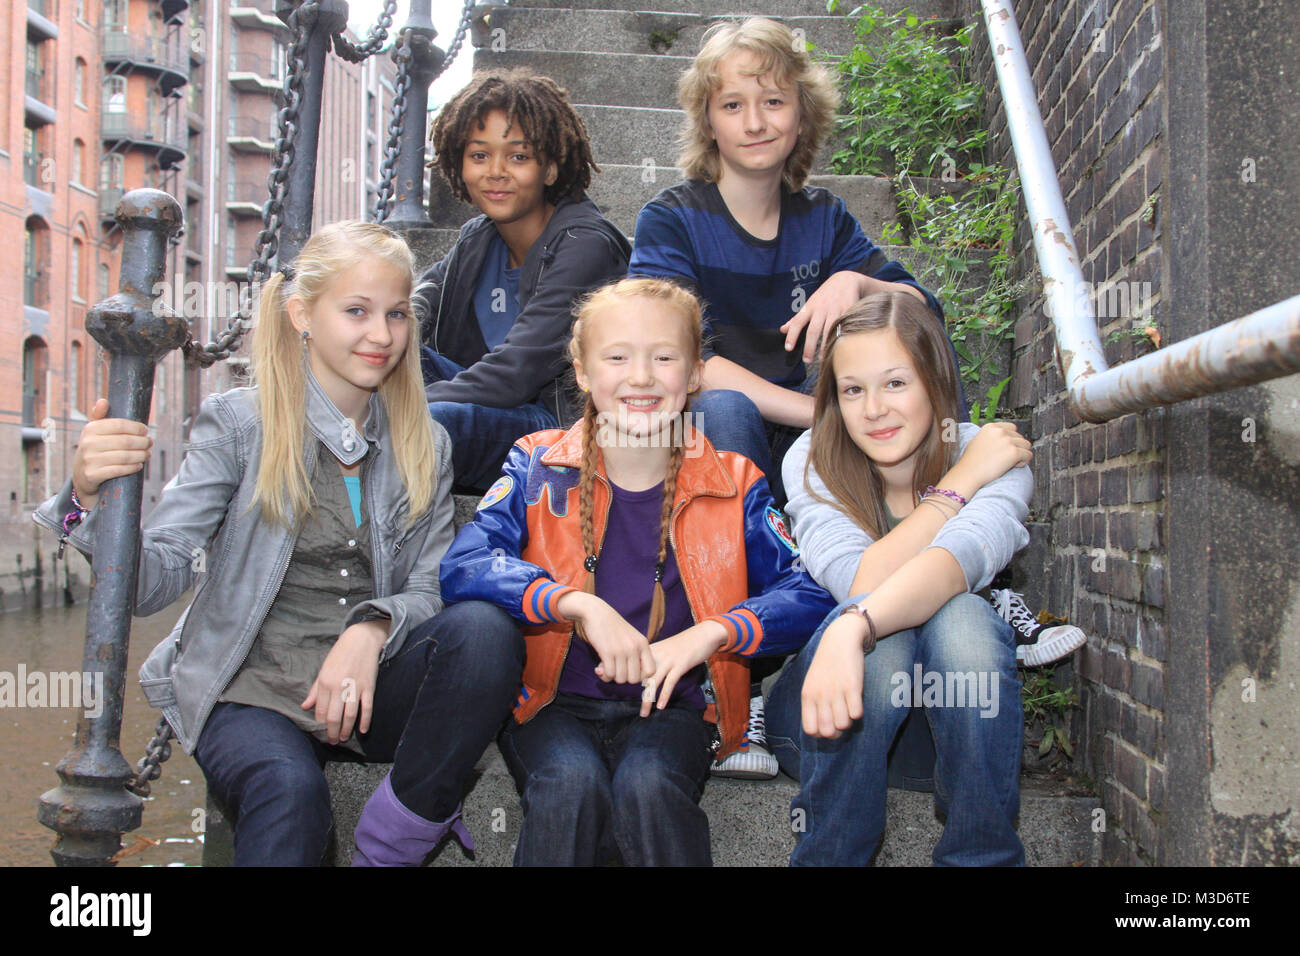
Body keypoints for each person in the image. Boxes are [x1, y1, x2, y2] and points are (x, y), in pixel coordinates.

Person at [35, 222, 524, 867]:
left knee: (486, 632)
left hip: (365, 688)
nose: (381, 335)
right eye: (356, 311)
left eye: (396, 314)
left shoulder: (424, 441)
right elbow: (154, 582)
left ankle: (399, 836)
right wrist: (88, 500)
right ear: (302, 315)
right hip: (252, 688)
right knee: (289, 795)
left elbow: (430, 586)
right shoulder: (240, 423)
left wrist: (370, 630)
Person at [440, 278, 835, 866]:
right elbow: (464, 566)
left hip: (673, 706)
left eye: (665, 356)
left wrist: (715, 633)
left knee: (649, 789)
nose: (642, 376)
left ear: (696, 372)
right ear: (582, 371)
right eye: (618, 356)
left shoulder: (736, 481)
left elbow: (808, 593)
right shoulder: (535, 464)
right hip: (552, 705)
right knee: (570, 789)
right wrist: (574, 604)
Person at [629, 17, 960, 508]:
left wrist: (857, 283)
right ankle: (741, 568)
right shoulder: (671, 218)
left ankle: (934, 527)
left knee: (919, 346)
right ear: (709, 122)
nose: (755, 123)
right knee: (726, 408)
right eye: (733, 105)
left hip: (808, 430)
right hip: (714, 430)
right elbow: (671, 358)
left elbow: (923, 311)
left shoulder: (823, 217)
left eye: (774, 102)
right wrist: (826, 412)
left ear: (802, 116)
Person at [767, 291, 1034, 866]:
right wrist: (958, 483)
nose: (873, 410)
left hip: (945, 736)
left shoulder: (995, 451)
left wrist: (854, 625)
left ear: (935, 381)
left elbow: (954, 564)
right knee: (880, 644)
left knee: (961, 612)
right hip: (827, 717)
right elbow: (863, 580)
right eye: (852, 389)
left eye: (895, 383)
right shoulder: (814, 458)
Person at [418, 68, 631, 491]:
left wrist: (398, 409)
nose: (496, 171)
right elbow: (412, 309)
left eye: (518, 157)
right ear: (458, 165)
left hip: (556, 429)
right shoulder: (475, 239)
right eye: (479, 156)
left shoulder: (585, 247)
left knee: (432, 422)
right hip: (492, 407)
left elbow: (516, 373)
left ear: (550, 169)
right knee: (377, 347)